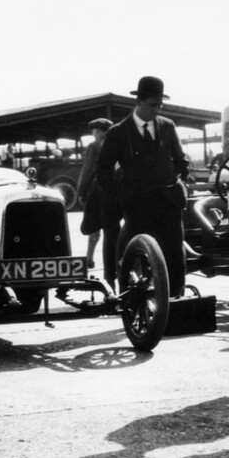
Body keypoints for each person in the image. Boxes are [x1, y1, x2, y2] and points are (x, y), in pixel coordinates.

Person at [96, 76, 190, 297]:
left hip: (169, 203)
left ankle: (176, 304)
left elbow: (181, 160)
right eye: (152, 105)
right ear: (138, 102)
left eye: (160, 105)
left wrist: (178, 181)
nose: (157, 110)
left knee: (175, 256)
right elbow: (102, 170)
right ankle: (133, 303)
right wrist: (122, 195)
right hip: (138, 206)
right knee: (138, 257)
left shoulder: (167, 126)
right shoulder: (118, 132)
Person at [77, 118, 122, 286]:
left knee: (104, 230)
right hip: (120, 190)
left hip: (101, 191)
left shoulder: (94, 146)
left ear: (102, 132)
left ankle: (110, 276)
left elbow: (88, 169)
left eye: (96, 131)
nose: (94, 134)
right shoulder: (119, 143)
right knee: (114, 232)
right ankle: (120, 268)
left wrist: (82, 191)